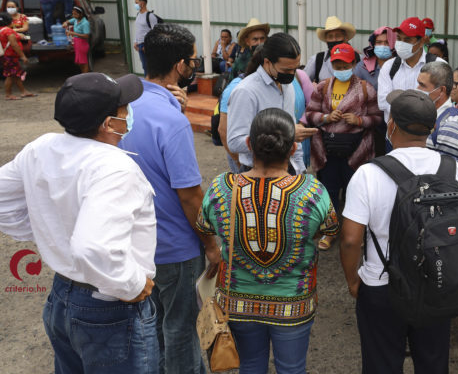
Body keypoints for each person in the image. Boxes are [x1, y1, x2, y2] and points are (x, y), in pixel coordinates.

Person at [0, 72, 158, 373]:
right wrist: (132, 284)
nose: (128, 112)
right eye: (123, 107)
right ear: (109, 123)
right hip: (110, 304)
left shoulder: (41, 148)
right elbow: (93, 248)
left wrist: (52, 231)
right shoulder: (115, 168)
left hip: (63, 295)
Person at [340, 89, 458, 374]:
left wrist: (353, 280)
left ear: (391, 125)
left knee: (382, 363)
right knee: (432, 361)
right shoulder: (452, 169)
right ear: (431, 128)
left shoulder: (369, 173)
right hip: (437, 281)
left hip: (382, 284)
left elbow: (350, 239)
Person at [197, 108, 339, 374]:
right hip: (293, 303)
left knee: (250, 365)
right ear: (294, 147)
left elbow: (203, 226)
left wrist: (213, 249)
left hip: (237, 302)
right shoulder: (312, 192)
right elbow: (329, 230)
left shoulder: (220, 187)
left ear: (249, 144)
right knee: (292, 369)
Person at [119, 24, 220, 374]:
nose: (194, 66)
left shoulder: (123, 107)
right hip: (175, 246)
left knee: (153, 322)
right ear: (180, 66)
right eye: (193, 60)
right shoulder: (172, 120)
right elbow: (190, 195)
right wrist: (210, 243)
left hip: (134, 242)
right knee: (181, 329)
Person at [304, 42, 382, 251]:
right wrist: (326, 117)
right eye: (337, 66)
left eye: (345, 66)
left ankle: (353, 232)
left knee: (355, 193)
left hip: (356, 150)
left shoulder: (366, 89)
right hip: (328, 149)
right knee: (329, 192)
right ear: (331, 65)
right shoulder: (322, 86)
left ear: (355, 64)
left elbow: (377, 118)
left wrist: (359, 121)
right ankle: (330, 231)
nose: (341, 71)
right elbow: (310, 114)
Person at [226, 33, 316, 173]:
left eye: (295, 68)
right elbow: (234, 142)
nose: (292, 74)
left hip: (288, 170)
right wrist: (287, 135)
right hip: (258, 173)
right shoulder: (246, 91)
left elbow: (293, 134)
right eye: (286, 70)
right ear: (267, 62)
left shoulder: (287, 85)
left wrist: (300, 171)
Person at [377, 17, 438, 124]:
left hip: (426, 137)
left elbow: (440, 101)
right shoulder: (389, 66)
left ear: (421, 42)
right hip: (394, 135)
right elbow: (383, 101)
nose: (401, 43)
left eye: (407, 40)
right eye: (399, 38)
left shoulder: (437, 66)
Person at [415, 61, 458, 164]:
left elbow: (444, 172)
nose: (417, 89)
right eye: (418, 83)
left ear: (441, 90)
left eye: (422, 85)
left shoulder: (452, 124)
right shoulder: (425, 113)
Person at [307, 16, 358, 83]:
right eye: (330, 37)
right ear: (326, 40)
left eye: (338, 36)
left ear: (345, 38)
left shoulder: (358, 59)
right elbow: (303, 82)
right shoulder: (316, 60)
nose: (334, 40)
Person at [1, 12, 35, 100]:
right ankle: (8, 95)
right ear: (9, 21)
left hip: (6, 56)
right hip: (10, 56)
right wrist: (23, 56)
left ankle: (24, 92)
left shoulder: (2, 30)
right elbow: (14, 45)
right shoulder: (8, 31)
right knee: (10, 75)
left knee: (15, 74)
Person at [354, 26, 395, 91]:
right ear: (373, 45)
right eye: (379, 42)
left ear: (394, 44)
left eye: (387, 42)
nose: (383, 46)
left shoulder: (402, 66)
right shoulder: (362, 67)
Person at [132, 0, 160, 75]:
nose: (135, 5)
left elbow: (155, 32)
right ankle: (148, 83)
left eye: (136, 2)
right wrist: (135, 41)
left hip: (147, 45)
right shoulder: (138, 15)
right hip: (140, 45)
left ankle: (150, 85)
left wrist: (148, 45)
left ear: (142, 3)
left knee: (149, 67)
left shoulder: (150, 16)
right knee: (145, 66)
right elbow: (138, 29)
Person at [65, 5, 91, 73]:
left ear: (81, 14)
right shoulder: (76, 20)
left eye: (75, 14)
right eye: (73, 14)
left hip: (82, 44)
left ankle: (85, 77)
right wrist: (65, 23)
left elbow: (86, 36)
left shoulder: (85, 23)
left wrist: (73, 33)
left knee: (84, 62)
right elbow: (68, 22)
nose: (73, 15)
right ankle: (83, 75)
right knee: (79, 62)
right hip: (77, 43)